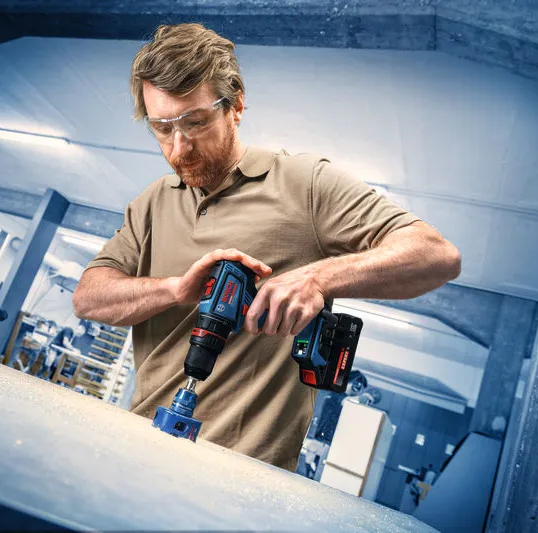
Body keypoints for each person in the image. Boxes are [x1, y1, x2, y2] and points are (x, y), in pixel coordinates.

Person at [72, 23, 461, 471]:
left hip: (245, 479)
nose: (179, 147)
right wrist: (176, 289)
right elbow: (88, 297)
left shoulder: (304, 183)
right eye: (162, 128)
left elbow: (435, 255)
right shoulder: (152, 203)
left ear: (235, 104)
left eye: (195, 122)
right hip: (137, 451)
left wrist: (318, 277)